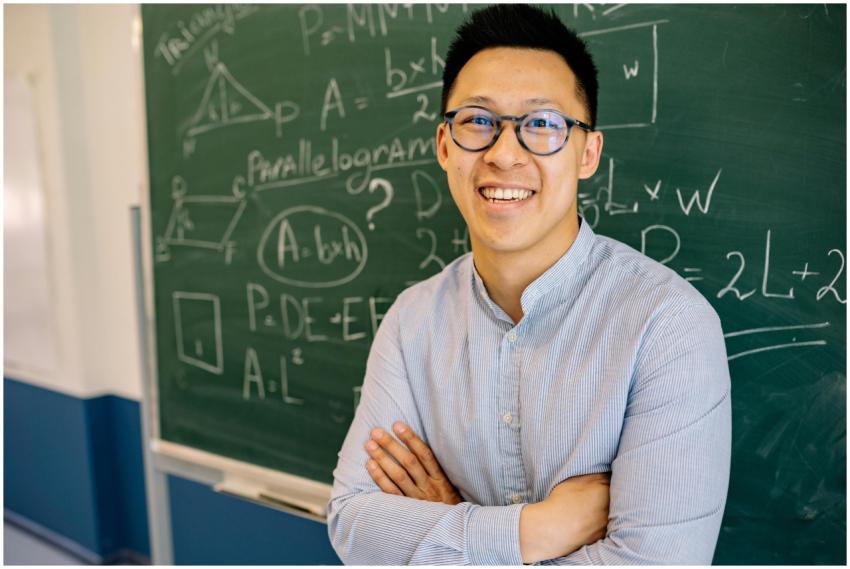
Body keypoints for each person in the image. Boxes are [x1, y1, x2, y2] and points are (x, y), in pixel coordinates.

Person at [327, 4, 731, 565]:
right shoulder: (411, 321)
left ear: (587, 153)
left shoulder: (667, 327)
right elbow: (352, 524)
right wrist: (538, 529)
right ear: (444, 146)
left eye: (542, 124)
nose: (504, 153)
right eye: (477, 121)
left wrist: (449, 523)